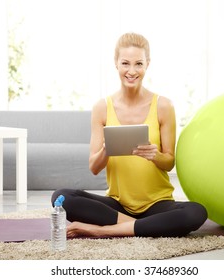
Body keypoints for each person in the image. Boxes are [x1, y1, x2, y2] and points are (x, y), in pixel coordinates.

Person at [51, 32, 207, 238]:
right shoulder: (102, 108)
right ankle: (147, 226)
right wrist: (107, 149)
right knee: (61, 197)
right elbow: (94, 167)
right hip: (118, 205)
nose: (131, 71)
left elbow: (169, 162)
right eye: (125, 63)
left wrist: (155, 155)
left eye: (138, 64)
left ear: (147, 64)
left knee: (196, 212)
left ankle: (104, 231)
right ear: (116, 63)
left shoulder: (163, 106)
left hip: (157, 204)